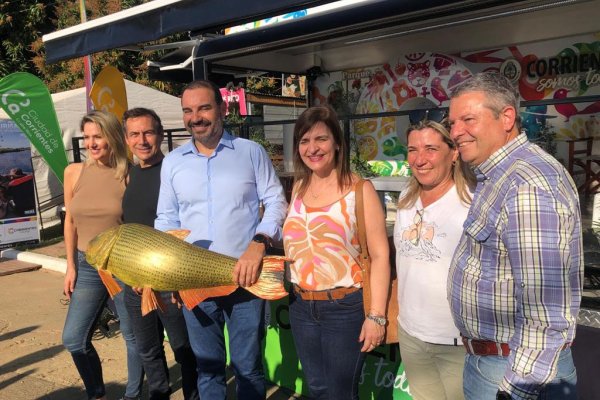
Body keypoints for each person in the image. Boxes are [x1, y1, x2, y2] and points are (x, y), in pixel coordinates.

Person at [447, 72, 582, 400]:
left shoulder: (526, 185)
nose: (455, 132)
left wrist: (516, 391)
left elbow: (546, 312)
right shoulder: (500, 175)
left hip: (512, 372)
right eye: (452, 123)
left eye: (468, 119)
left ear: (506, 117)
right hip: (493, 361)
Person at [155, 80, 287, 399]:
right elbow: (166, 220)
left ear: (222, 109)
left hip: (245, 278)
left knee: (247, 367)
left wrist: (260, 241)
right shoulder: (173, 163)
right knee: (209, 368)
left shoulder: (250, 153)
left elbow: (276, 202)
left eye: (203, 108)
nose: (195, 117)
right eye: (188, 110)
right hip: (194, 281)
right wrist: (166, 270)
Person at [282, 106, 390, 400]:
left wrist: (376, 317)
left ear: (338, 143)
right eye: (304, 141)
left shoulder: (360, 190)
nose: (312, 148)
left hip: (344, 307)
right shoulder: (299, 187)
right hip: (301, 305)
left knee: (341, 393)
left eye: (321, 139)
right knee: (316, 389)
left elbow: (380, 255)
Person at [62, 110, 144, 400]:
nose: (91, 143)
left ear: (112, 137)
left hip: (121, 264)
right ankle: (97, 393)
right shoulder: (74, 172)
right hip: (86, 265)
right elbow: (70, 222)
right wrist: (70, 265)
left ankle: (132, 395)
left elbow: (138, 225)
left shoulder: (130, 173)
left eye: (98, 136)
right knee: (73, 338)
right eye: (87, 137)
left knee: (133, 337)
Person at [394, 115, 474, 400]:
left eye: (430, 149)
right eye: (413, 150)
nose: (420, 159)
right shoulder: (406, 197)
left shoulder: (470, 202)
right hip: (412, 334)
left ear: (453, 153)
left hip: (457, 341)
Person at [121, 107, 199, 400]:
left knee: (184, 350)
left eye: (148, 132)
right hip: (134, 283)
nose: (142, 140)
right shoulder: (128, 175)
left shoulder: (174, 173)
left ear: (160, 135)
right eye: (135, 134)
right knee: (148, 351)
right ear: (127, 139)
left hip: (169, 282)